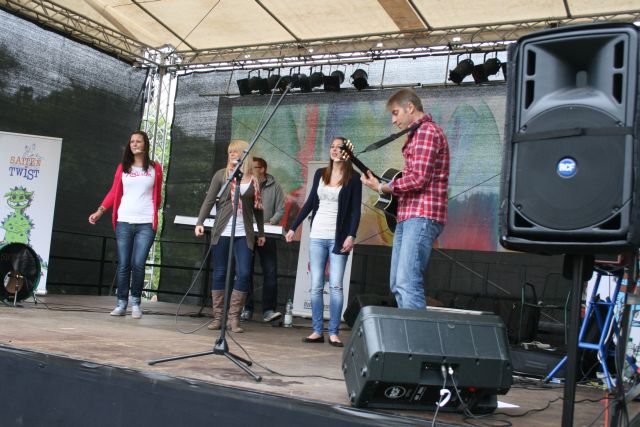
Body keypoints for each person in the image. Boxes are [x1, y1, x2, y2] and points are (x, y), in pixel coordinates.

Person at [361, 88, 449, 310]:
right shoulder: (418, 134)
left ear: (410, 108)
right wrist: (382, 187)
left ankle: (415, 342)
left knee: (407, 282)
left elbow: (419, 179)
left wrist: (384, 187)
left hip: (422, 215)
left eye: (395, 112)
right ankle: (408, 337)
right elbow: (413, 177)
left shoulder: (426, 132)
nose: (393, 120)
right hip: (409, 215)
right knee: (398, 283)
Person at [285, 137, 361, 347]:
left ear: (347, 153)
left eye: (339, 147)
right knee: (316, 285)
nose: (334, 150)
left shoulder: (353, 178)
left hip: (339, 237)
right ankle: (317, 330)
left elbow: (355, 210)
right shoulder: (321, 174)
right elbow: (310, 203)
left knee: (336, 285)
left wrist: (351, 234)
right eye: (332, 147)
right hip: (317, 234)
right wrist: (294, 227)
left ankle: (334, 332)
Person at [89, 130, 163, 319]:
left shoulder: (155, 168)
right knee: (124, 264)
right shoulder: (123, 167)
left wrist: (150, 209)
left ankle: (136, 303)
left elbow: (158, 196)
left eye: (138, 141)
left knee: (138, 264)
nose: (134, 144)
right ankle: (121, 303)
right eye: (132, 142)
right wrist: (100, 211)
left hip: (146, 222)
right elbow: (114, 192)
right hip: (123, 220)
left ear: (145, 144)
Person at [195, 140, 265, 333]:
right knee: (220, 272)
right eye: (230, 152)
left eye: (237, 152)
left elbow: (258, 209)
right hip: (223, 230)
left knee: (243, 273)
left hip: (245, 232)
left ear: (246, 155)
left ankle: (233, 318)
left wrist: (261, 232)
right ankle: (219, 316)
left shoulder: (253, 179)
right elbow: (209, 199)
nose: (233, 154)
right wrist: (200, 222)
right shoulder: (222, 175)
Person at [241, 157, 285, 323]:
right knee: (245, 271)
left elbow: (281, 209)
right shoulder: (246, 184)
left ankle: (268, 310)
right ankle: (247, 308)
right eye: (251, 167)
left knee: (270, 272)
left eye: (256, 167)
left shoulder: (275, 186)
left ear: (264, 169)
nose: (253, 170)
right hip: (247, 232)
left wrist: (270, 222)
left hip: (268, 233)